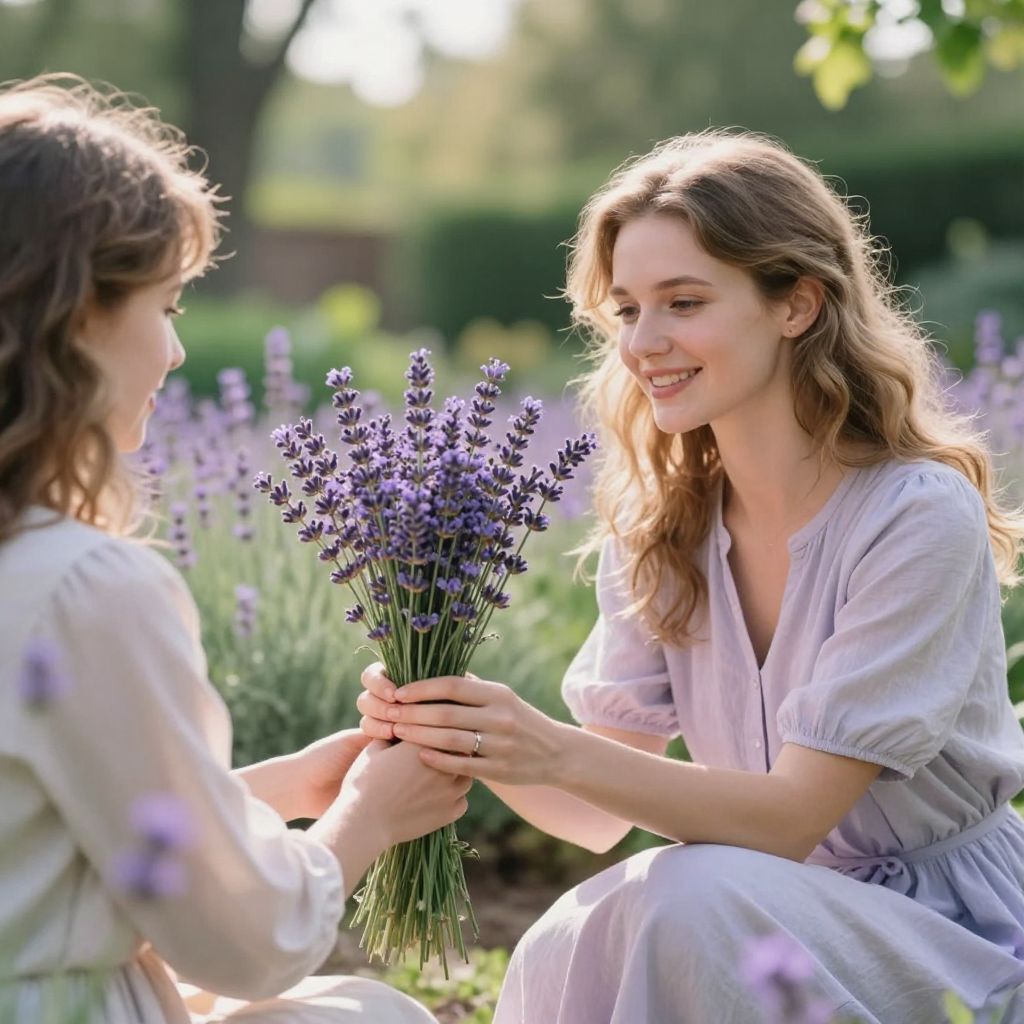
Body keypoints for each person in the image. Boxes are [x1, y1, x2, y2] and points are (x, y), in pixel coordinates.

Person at [359, 130, 1024, 1022]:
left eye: (683, 301)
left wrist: (547, 743)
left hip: (948, 932)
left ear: (796, 304)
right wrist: (464, 727)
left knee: (687, 894)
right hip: (752, 909)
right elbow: (593, 814)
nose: (645, 343)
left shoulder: (913, 514)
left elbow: (792, 820)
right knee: (574, 930)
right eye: (627, 309)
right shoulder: (665, 525)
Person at [0, 74, 469, 1024]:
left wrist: (274, 791)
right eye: (167, 306)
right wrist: (366, 819)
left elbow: (36, 839)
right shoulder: (86, 583)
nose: (175, 354)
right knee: (373, 1017)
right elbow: (244, 941)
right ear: (79, 312)